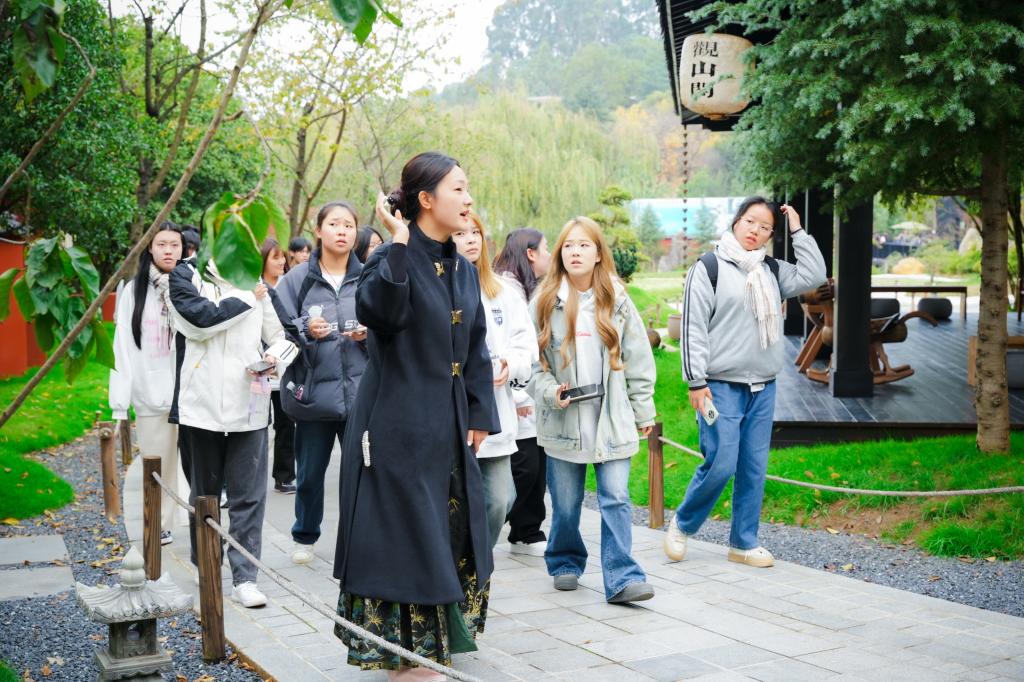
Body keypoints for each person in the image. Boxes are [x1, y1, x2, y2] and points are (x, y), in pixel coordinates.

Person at [333, 152, 499, 680]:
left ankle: (431, 649)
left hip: (447, 426)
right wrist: (399, 241)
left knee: (447, 531)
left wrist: (478, 411)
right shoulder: (389, 258)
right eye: (458, 189)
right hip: (396, 426)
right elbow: (379, 312)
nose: (469, 199)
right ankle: (407, 659)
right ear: (425, 199)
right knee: (407, 538)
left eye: (468, 188)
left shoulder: (464, 268)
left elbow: (475, 346)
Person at [666, 198, 826, 568]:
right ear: (737, 221)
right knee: (721, 462)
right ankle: (683, 523)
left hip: (763, 386)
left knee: (753, 466)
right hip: (719, 386)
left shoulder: (772, 270)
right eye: (750, 221)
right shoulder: (708, 268)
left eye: (765, 227)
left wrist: (798, 230)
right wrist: (695, 382)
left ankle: (743, 542)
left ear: (771, 235)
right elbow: (692, 328)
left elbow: (815, 274)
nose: (755, 230)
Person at [528, 216, 657, 604]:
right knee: (566, 504)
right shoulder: (545, 301)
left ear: (599, 253)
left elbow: (638, 358)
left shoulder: (617, 300)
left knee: (616, 497)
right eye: (568, 245)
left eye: (584, 245)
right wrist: (550, 392)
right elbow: (530, 365)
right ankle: (564, 561)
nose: (576, 252)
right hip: (564, 420)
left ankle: (622, 578)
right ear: (560, 254)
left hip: (611, 419)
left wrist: (643, 410)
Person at [168, 253, 298, 608]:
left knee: (248, 497)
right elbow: (199, 322)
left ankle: (245, 578)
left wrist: (273, 357)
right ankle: (206, 565)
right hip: (201, 407)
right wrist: (248, 297)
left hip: (249, 404)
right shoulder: (186, 275)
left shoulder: (255, 280)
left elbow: (283, 334)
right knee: (204, 495)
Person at [273, 201, 368, 565]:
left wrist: (369, 334)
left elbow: (389, 324)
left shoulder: (368, 276)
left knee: (360, 471)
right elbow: (279, 329)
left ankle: (357, 536)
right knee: (311, 473)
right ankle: (304, 535)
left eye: (349, 225)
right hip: (313, 393)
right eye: (334, 224)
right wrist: (305, 329)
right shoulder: (297, 279)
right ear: (318, 230)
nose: (342, 231)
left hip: (360, 392)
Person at [451, 214, 537, 549]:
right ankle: (452, 566)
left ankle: (475, 562)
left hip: (493, 411)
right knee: (452, 501)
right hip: (451, 410)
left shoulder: (503, 292)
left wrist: (508, 365)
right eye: (460, 233)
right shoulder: (439, 287)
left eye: (476, 232)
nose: (471, 239)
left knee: (500, 498)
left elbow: (525, 345)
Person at [109, 222, 185, 545]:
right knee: (155, 462)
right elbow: (122, 346)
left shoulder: (189, 284)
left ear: (183, 249)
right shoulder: (133, 291)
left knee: (188, 465)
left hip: (188, 393)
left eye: (174, 245)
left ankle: (191, 521)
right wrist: (119, 403)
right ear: (150, 249)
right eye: (162, 244)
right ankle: (157, 522)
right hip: (151, 394)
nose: (168, 250)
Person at [492, 228, 552, 556]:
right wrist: (518, 395)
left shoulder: (532, 288)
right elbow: (505, 345)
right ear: (530, 254)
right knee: (523, 466)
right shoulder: (503, 289)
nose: (549, 255)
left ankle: (527, 530)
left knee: (536, 464)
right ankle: (496, 524)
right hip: (511, 391)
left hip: (531, 389)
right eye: (546, 249)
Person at [260, 239, 296, 495]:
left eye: (282, 256)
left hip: (282, 367)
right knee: (258, 424)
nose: (282, 261)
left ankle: (284, 476)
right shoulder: (252, 287)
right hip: (258, 370)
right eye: (275, 257)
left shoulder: (288, 285)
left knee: (286, 423)